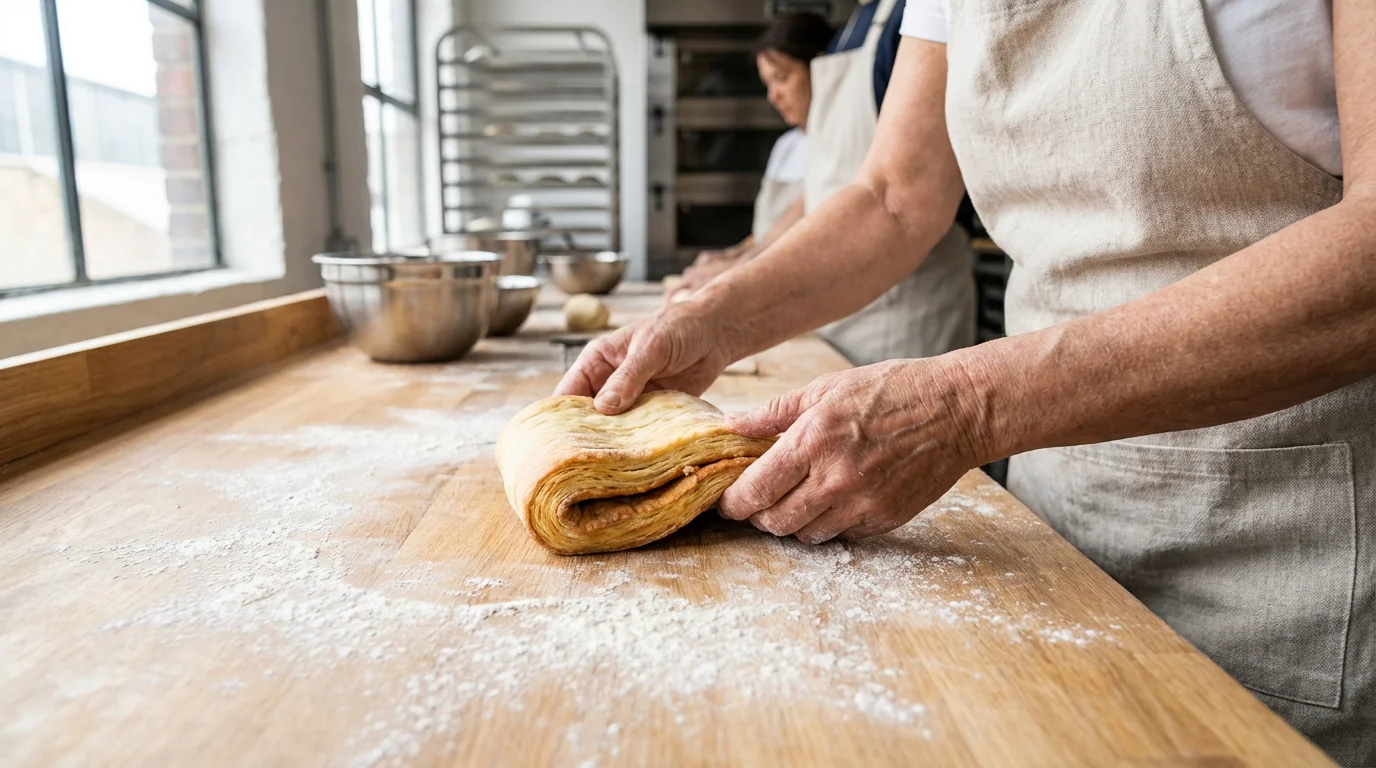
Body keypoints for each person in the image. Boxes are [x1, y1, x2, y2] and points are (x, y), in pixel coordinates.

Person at [560, 0, 1376, 762]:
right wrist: (711, 319)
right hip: (1050, 538)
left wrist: (973, 403)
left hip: (1277, 540)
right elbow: (892, 197)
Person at [678, 0, 977, 366]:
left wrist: (723, 307)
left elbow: (894, 201)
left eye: (782, 78)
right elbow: (822, 187)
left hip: (902, 318)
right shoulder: (850, 32)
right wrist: (747, 261)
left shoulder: (911, 19)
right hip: (832, 313)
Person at [680, 12, 832, 288]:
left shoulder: (838, 144)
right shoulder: (785, 147)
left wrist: (739, 267)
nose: (773, 96)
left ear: (821, 69)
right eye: (768, 84)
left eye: (782, 78)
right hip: (768, 282)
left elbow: (809, 219)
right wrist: (732, 254)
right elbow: (764, 233)